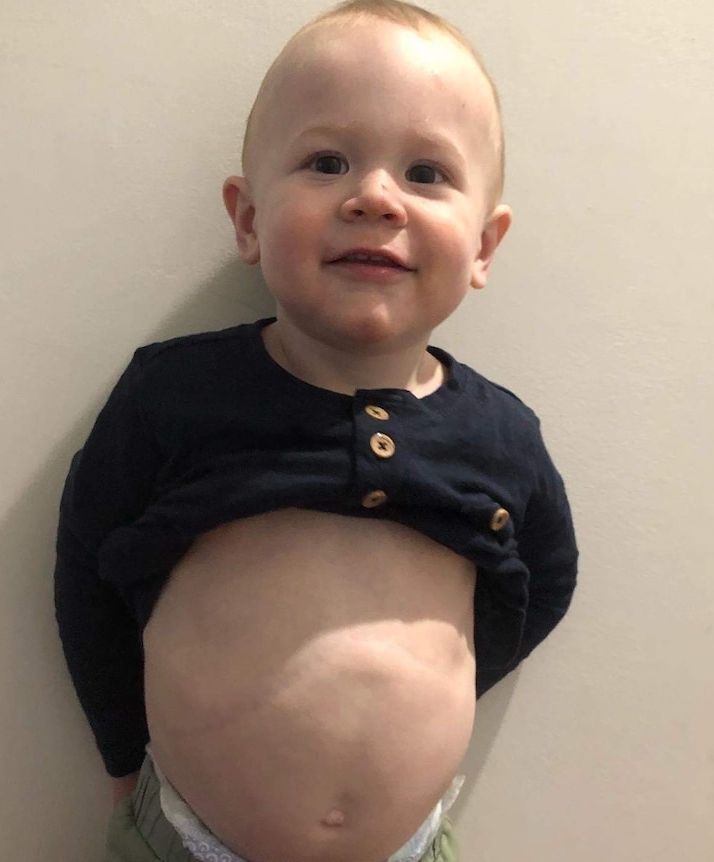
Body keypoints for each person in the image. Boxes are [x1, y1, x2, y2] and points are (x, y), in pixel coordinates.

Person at [54, 2, 578, 861]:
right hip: (188, 840)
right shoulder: (178, 394)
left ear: (484, 245)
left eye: (427, 173)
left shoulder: (502, 437)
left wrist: (434, 699)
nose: (375, 197)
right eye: (328, 162)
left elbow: (544, 580)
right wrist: (121, 751)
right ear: (250, 219)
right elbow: (89, 570)